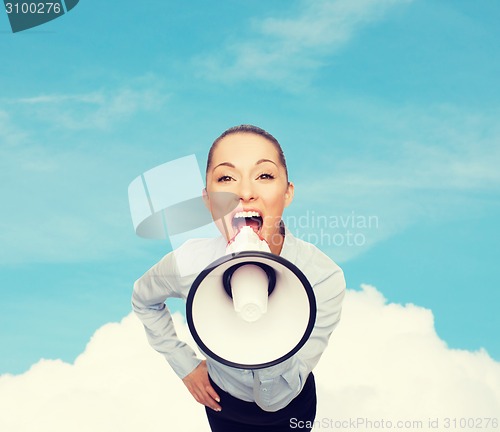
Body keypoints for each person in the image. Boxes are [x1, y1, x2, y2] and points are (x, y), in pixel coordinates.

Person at [132, 125, 345, 431]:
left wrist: (268, 333)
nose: (245, 193)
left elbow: (275, 399)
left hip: (290, 410)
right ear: (208, 200)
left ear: (287, 193)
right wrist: (186, 366)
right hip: (223, 406)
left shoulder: (322, 278)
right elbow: (143, 300)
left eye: (264, 176)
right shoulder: (188, 263)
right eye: (226, 178)